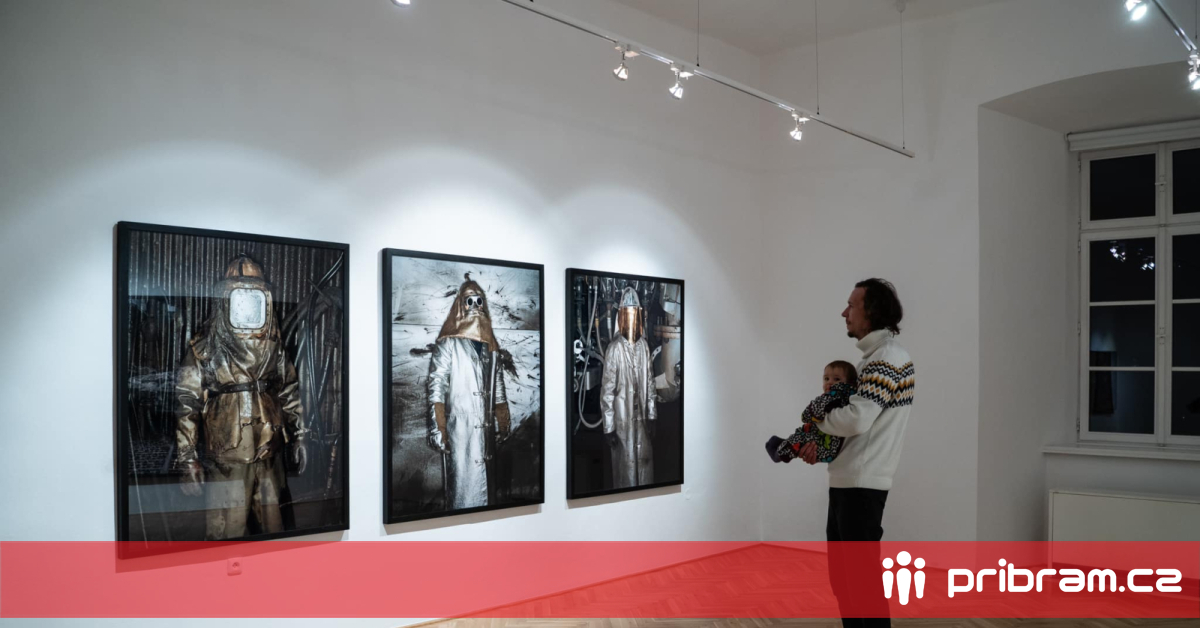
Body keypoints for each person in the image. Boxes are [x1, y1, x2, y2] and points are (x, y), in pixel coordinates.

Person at [800, 279, 915, 628]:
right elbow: (857, 425)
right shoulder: (873, 359)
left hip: (861, 485)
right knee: (845, 581)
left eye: (852, 305)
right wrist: (821, 447)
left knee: (861, 583)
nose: (844, 312)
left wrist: (816, 422)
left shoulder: (887, 358)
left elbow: (857, 418)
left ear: (872, 311)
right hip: (850, 480)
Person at [174, 254, 309, 540]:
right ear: (225, 298)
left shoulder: (273, 344)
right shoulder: (204, 346)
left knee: (274, 530)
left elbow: (288, 388)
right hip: (228, 452)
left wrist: (299, 433)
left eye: (254, 293)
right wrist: (187, 458)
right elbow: (187, 402)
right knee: (227, 531)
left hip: (270, 446)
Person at [427, 275, 511, 509]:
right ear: (460, 306)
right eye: (469, 301)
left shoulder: (490, 345)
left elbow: (498, 386)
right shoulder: (448, 344)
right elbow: (436, 386)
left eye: (479, 301)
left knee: (488, 493)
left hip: (486, 431)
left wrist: (503, 421)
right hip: (460, 430)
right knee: (462, 492)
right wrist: (438, 427)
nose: (475, 306)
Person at [600, 286, 657, 489]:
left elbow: (650, 384)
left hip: (642, 421)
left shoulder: (644, 347)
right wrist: (609, 428)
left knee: (644, 470)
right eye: (628, 313)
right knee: (625, 473)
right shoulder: (614, 349)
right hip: (622, 423)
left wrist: (652, 416)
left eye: (635, 314)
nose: (632, 319)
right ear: (621, 317)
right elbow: (607, 392)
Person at [767, 360, 858, 464]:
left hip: (826, 447)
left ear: (849, 383)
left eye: (836, 379)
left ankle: (780, 455)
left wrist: (807, 414)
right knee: (801, 435)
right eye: (826, 378)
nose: (829, 382)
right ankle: (785, 445)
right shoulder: (845, 395)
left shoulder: (838, 394)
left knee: (800, 440)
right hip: (825, 442)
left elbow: (810, 414)